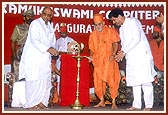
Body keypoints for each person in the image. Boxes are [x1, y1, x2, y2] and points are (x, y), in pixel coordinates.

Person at [108, 8, 157, 111]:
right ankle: (136, 105)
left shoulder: (133, 22)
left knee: (146, 80)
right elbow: (124, 44)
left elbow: (136, 38)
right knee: (135, 81)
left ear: (120, 16)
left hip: (142, 56)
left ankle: (148, 105)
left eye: (114, 19)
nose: (114, 22)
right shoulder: (121, 29)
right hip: (131, 57)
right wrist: (121, 54)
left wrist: (124, 51)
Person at [18, 6, 59, 109]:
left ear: (51, 16)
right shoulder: (35, 24)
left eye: (49, 15)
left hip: (45, 59)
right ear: (41, 13)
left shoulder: (50, 26)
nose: (46, 17)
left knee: (45, 81)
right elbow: (35, 40)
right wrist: (49, 49)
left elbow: (52, 42)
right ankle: (30, 103)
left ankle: (41, 102)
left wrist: (55, 50)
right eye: (45, 14)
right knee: (33, 81)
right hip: (34, 58)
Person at [88, 13, 121, 109]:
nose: (97, 26)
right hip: (98, 60)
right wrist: (91, 56)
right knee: (98, 81)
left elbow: (115, 43)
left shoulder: (110, 31)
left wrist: (113, 54)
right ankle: (101, 101)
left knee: (112, 79)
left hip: (109, 59)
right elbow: (91, 48)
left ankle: (114, 101)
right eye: (96, 25)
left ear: (103, 23)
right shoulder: (93, 34)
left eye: (99, 24)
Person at [10, 9, 34, 78]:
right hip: (21, 51)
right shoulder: (18, 27)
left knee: (31, 74)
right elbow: (13, 42)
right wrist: (14, 56)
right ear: (24, 17)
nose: (30, 18)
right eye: (28, 16)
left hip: (32, 52)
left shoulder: (35, 28)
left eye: (32, 16)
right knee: (18, 74)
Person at [54, 22, 75, 96]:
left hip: (68, 62)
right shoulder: (57, 41)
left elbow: (74, 52)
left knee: (68, 78)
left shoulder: (71, 40)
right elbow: (55, 52)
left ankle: (68, 95)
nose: (63, 34)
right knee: (59, 78)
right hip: (59, 61)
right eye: (61, 33)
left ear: (67, 32)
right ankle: (60, 96)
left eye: (64, 32)